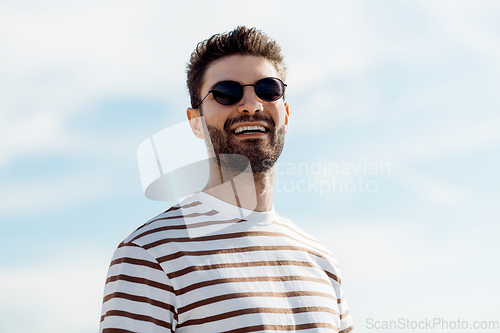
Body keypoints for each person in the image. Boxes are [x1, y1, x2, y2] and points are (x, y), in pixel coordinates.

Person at [99, 26, 355, 333]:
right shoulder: (149, 256)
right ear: (196, 122)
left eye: (268, 89)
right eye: (226, 93)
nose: (251, 104)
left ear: (285, 113)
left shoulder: (322, 262)